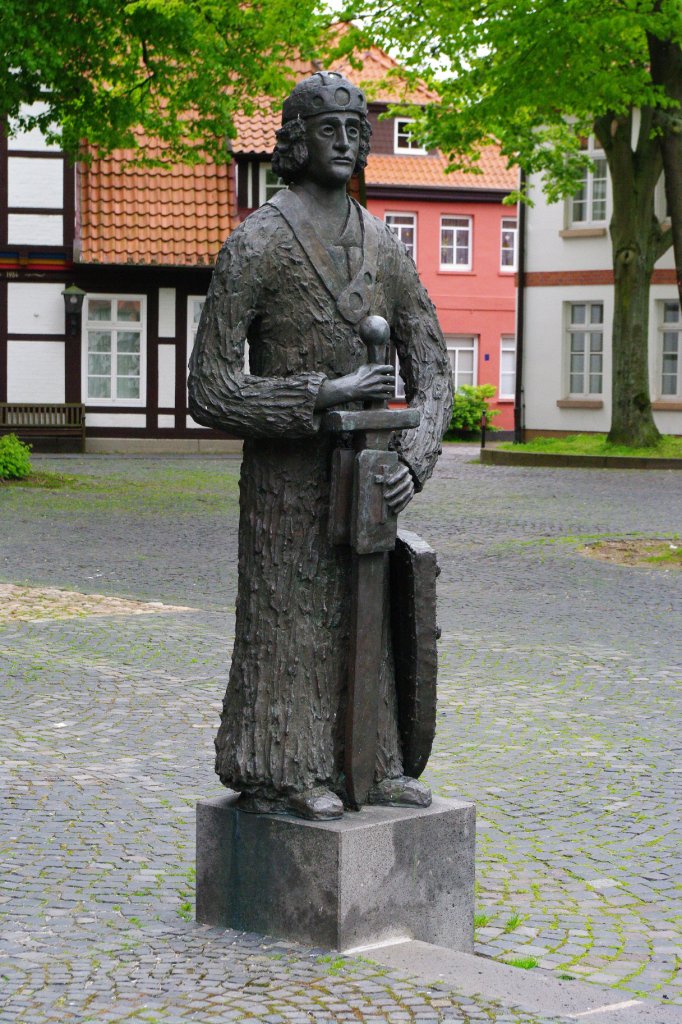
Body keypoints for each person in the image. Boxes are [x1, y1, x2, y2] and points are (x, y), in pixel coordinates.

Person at [188, 71, 452, 820]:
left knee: (368, 616)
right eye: (328, 128)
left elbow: (434, 367)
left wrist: (412, 460)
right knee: (291, 618)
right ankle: (285, 767)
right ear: (295, 140)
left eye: (356, 126)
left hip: (369, 477)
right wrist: (315, 394)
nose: (346, 141)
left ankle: (375, 762)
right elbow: (208, 386)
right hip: (286, 485)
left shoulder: (385, 248)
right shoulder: (258, 244)